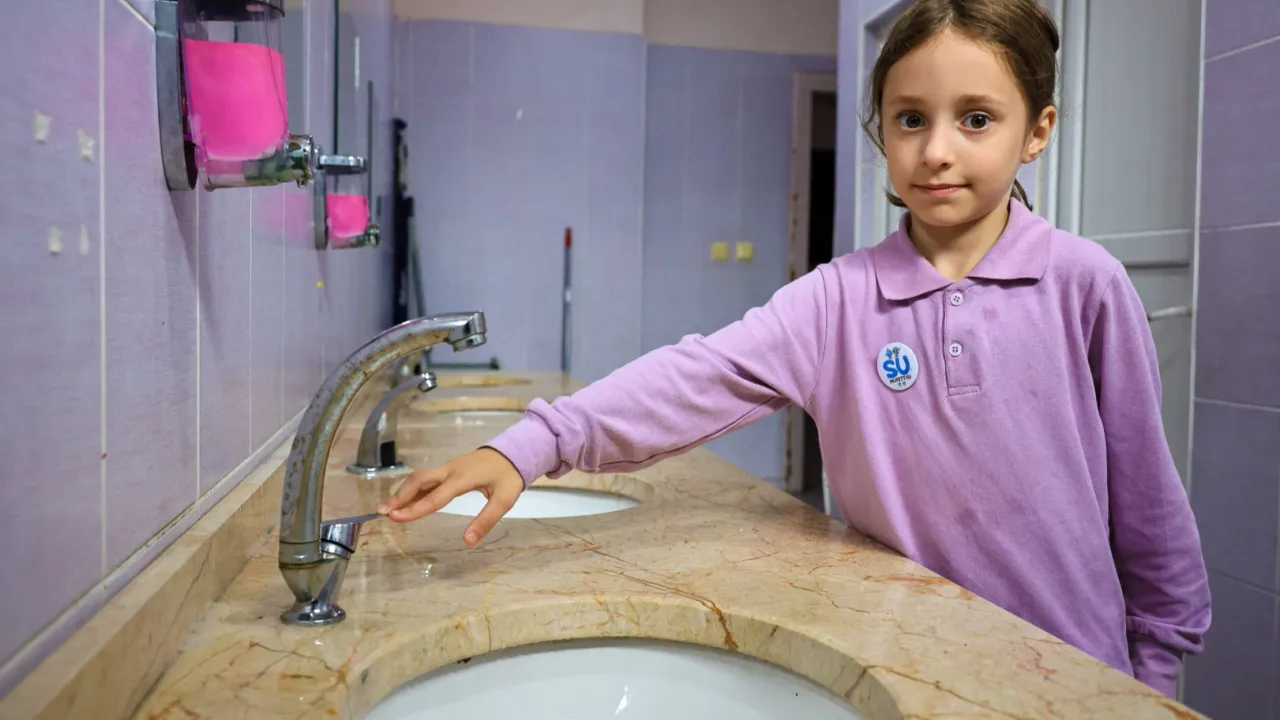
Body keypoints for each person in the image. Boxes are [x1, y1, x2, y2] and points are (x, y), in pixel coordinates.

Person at [379, 0, 1211, 698]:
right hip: (906, 670)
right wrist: (532, 444)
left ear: (1037, 131)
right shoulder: (837, 301)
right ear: (881, 129)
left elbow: (1147, 496)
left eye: (977, 119)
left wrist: (1154, 672)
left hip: (1075, 672)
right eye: (910, 119)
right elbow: (695, 375)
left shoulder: (1084, 284)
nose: (937, 150)